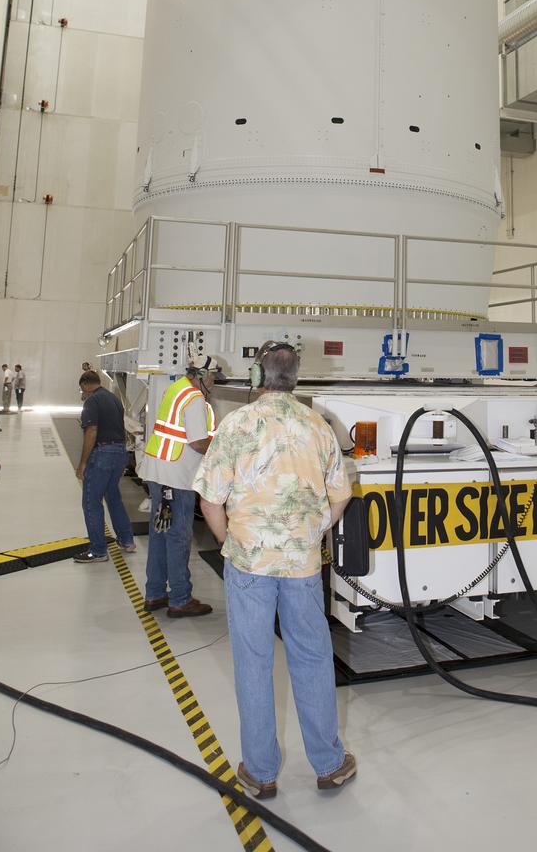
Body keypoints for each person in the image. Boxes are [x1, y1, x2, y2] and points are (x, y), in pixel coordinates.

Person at [194, 341, 355, 798]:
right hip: (302, 566)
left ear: (256, 375)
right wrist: (312, 529)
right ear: (296, 377)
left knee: (253, 661)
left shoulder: (237, 424)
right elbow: (340, 494)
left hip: (249, 564)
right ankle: (329, 763)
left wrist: (230, 542)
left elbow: (209, 498)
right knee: (313, 658)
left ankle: (260, 773)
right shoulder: (316, 424)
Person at [137, 359, 217, 618]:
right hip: (176, 478)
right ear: (202, 376)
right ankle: (181, 598)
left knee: (160, 534)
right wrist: (223, 453)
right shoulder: (194, 398)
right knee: (178, 537)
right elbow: (197, 442)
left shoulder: (176, 389)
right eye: (213, 377)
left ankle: (155, 593)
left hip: (159, 473)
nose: (214, 382)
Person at [73, 370, 136, 563]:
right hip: (119, 453)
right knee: (113, 497)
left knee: (91, 502)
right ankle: (127, 540)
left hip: (102, 454)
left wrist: (83, 463)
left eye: (81, 389)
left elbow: (91, 431)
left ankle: (98, 550)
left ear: (84, 384)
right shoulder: (113, 399)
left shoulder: (92, 401)